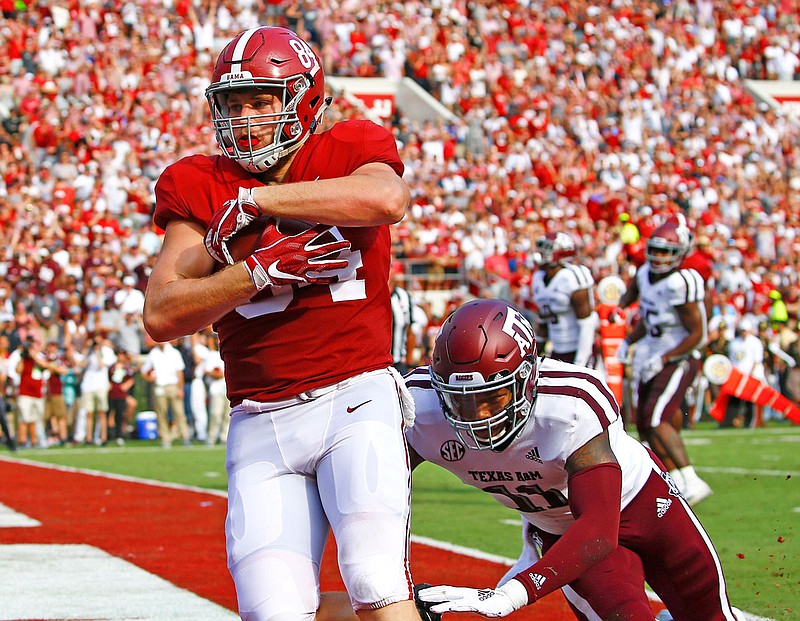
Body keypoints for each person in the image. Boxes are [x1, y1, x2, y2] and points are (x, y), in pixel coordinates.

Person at [142, 26, 419, 620]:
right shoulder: (197, 181)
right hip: (260, 418)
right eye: (232, 103)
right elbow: (162, 313)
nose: (244, 117)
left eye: (262, 99)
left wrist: (259, 202)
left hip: (356, 398)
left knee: (374, 576)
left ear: (305, 99)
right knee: (274, 610)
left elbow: (385, 200)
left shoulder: (348, 145)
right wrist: (255, 272)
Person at [406, 299, 741, 621]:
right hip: (562, 529)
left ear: (526, 378)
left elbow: (598, 531)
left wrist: (511, 594)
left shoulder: (570, 404)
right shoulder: (416, 409)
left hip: (641, 504)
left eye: (493, 397)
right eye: (459, 400)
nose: (477, 416)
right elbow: (375, 504)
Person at [616, 215, 713, 506]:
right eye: (655, 250)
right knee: (644, 424)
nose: (658, 257)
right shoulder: (644, 275)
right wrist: (629, 340)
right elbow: (650, 317)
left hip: (681, 355)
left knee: (656, 418)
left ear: (680, 254)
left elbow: (699, 334)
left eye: (666, 252)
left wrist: (668, 356)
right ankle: (674, 481)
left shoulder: (684, 281)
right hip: (653, 354)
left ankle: (692, 479)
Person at [531, 232, 597, 367]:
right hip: (556, 350)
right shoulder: (538, 278)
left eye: (546, 249)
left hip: (579, 349)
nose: (540, 253)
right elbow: (543, 319)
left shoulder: (572, 276)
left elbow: (587, 324)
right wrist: (535, 353)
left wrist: (580, 362)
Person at [140, 339, 191, 448]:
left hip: (173, 385)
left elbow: (179, 372)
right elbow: (144, 371)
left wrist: (180, 388)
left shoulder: (174, 352)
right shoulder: (153, 353)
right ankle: (165, 438)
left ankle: (185, 436)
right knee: (161, 413)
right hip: (159, 386)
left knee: (179, 412)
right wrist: (150, 378)